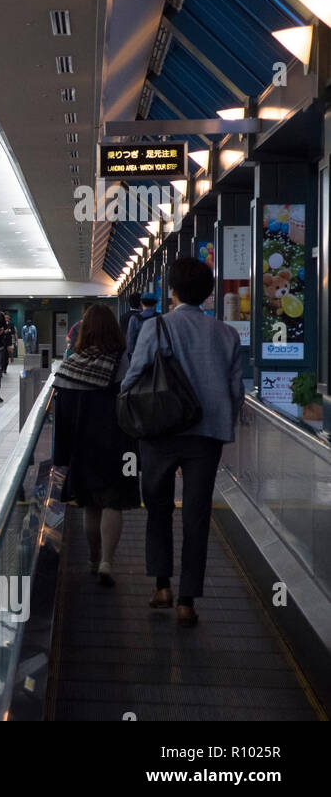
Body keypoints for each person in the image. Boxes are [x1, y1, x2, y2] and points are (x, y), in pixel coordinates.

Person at [122, 258, 242, 628]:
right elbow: (235, 391)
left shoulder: (155, 327)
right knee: (196, 516)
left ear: (171, 292)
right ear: (209, 294)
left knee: (158, 507)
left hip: (160, 431)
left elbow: (134, 375)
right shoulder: (227, 334)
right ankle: (187, 601)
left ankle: (161, 586)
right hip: (206, 436)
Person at [53, 305, 139, 587]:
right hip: (119, 446)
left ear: (84, 331)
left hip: (83, 447)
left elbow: (62, 418)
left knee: (90, 506)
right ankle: (107, 561)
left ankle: (92, 557)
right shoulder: (121, 363)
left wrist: (62, 456)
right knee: (113, 504)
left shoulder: (70, 365)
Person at [123, 292, 159, 361]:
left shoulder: (135, 318)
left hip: (140, 355)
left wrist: (131, 354)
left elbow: (131, 338)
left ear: (141, 303)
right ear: (155, 304)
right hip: (157, 356)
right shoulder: (161, 317)